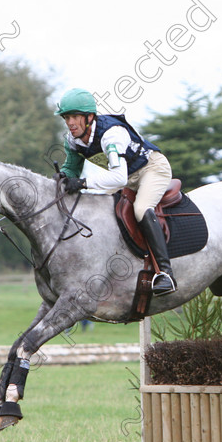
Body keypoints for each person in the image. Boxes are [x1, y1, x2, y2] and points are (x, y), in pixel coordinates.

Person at [54, 88, 177, 296]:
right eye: (67, 117)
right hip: (128, 176)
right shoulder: (72, 139)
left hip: (152, 169)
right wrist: (61, 178)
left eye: (75, 116)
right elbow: (71, 168)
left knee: (140, 209)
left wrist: (82, 182)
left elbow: (118, 178)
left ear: (89, 117)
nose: (70, 123)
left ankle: (165, 273)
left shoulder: (111, 134)